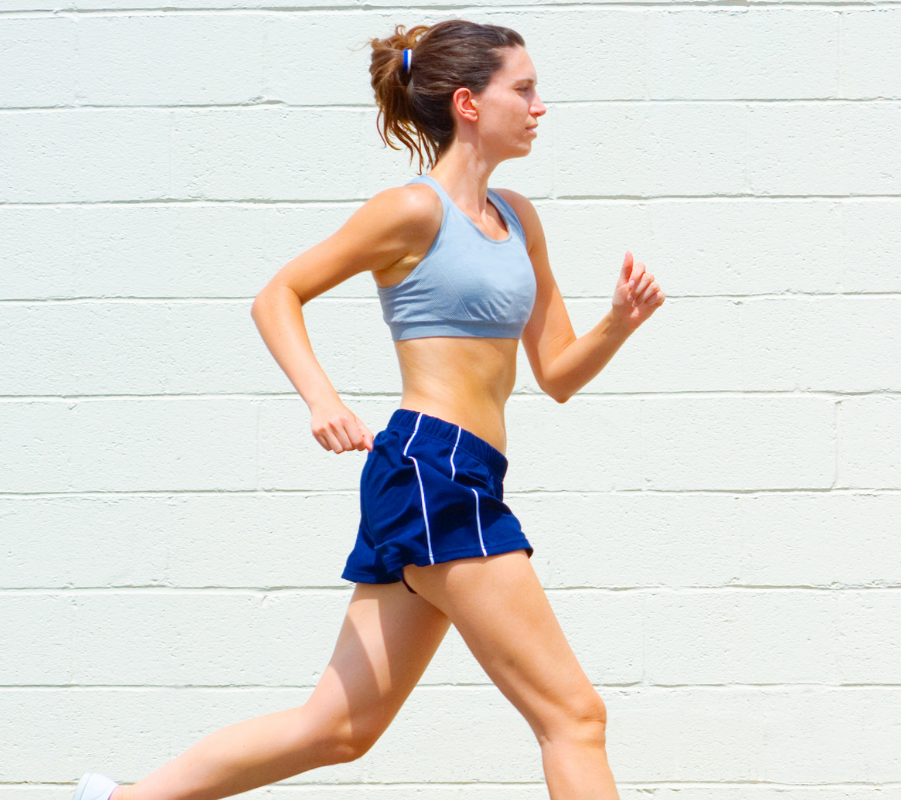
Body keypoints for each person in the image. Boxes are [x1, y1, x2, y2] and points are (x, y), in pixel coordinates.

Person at [73, 19, 662, 800]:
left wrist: (618, 323)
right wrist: (322, 398)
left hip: (458, 474)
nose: (539, 105)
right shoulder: (411, 212)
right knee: (574, 717)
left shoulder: (520, 218)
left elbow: (555, 373)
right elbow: (277, 294)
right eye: (523, 89)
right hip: (433, 469)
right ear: (468, 103)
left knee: (340, 729)